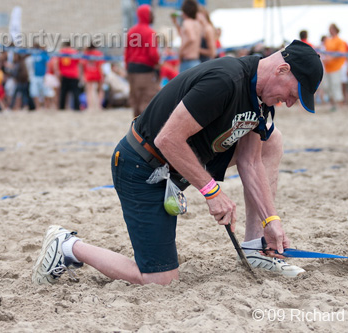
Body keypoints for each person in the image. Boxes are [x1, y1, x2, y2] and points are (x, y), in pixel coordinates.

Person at [32, 40, 323, 286]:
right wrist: (212, 192)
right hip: (141, 166)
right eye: (293, 94)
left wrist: (271, 220)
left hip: (181, 162)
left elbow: (250, 161)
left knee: (271, 140)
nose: (289, 103)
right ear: (282, 70)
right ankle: (69, 246)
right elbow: (168, 139)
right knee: (160, 280)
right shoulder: (225, 80)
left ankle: (255, 248)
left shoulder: (260, 98)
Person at [124, 4, 160, 118]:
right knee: (146, 101)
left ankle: (134, 128)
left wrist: (127, 68)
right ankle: (143, 131)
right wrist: (158, 63)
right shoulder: (150, 32)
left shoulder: (131, 32)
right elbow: (152, 53)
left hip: (132, 70)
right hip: (145, 71)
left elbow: (127, 53)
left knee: (135, 101)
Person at [321, 23, 348, 112]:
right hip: (327, 67)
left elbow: (341, 53)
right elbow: (325, 51)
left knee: (336, 85)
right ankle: (332, 104)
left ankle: (340, 105)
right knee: (327, 86)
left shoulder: (340, 41)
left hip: (336, 67)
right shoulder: (328, 40)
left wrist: (330, 57)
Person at [171, 0, 203, 72]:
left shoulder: (186, 22)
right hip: (196, 60)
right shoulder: (197, 23)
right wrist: (176, 23)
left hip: (187, 61)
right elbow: (184, 35)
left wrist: (181, 50)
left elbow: (192, 38)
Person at [57, 41, 82, 111]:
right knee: (75, 93)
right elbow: (79, 64)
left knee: (63, 93)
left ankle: (62, 107)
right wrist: (80, 75)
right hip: (74, 75)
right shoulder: (75, 52)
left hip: (64, 74)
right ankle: (77, 108)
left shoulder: (61, 52)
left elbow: (56, 63)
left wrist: (58, 72)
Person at [82, 42, 105, 111]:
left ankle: (90, 107)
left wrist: (82, 75)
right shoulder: (98, 53)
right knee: (100, 90)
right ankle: (99, 106)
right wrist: (102, 75)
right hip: (97, 73)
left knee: (89, 91)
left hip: (88, 73)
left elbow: (82, 65)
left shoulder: (86, 53)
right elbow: (101, 66)